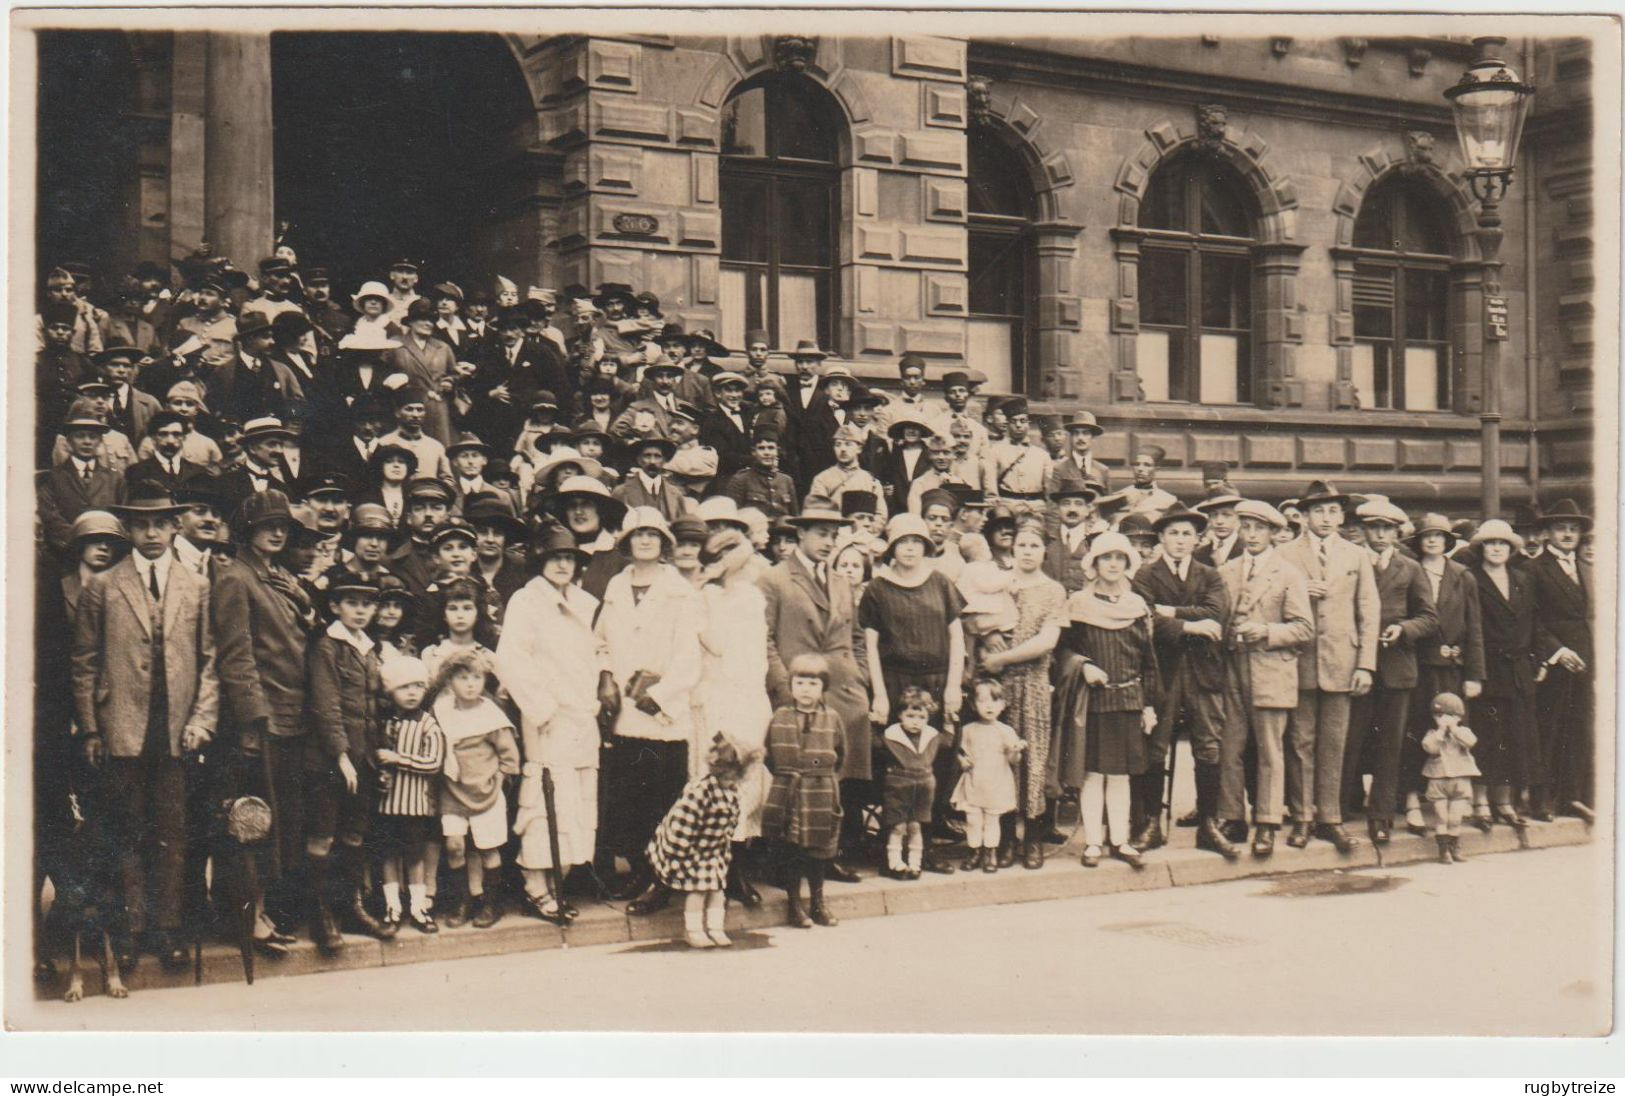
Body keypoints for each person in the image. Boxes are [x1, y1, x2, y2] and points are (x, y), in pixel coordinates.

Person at [69, 484, 219, 972]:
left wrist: (201, 720)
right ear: (128, 530)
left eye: (160, 524)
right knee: (128, 829)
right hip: (123, 726)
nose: (151, 533)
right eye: (141, 524)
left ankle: (167, 928)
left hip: (175, 727)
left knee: (172, 831)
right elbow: (85, 663)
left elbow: (209, 660)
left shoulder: (195, 585)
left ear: (176, 527)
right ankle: (131, 928)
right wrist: (91, 728)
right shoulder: (104, 586)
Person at [211, 488, 313, 954]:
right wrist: (252, 721)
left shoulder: (277, 577)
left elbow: (298, 636)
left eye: (283, 526)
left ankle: (262, 909)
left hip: (291, 716)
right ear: (247, 532)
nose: (276, 532)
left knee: (279, 824)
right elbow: (237, 656)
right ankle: (247, 918)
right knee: (253, 823)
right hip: (263, 720)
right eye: (266, 526)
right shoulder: (236, 579)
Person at [497, 525, 610, 924]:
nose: (563, 565)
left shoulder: (584, 601)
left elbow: (597, 651)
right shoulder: (527, 601)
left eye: (570, 559)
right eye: (556, 557)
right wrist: (541, 708)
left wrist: (599, 687)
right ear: (542, 561)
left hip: (582, 714)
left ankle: (560, 881)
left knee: (576, 799)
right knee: (545, 801)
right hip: (547, 716)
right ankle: (535, 886)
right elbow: (511, 658)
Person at [596, 508, 704, 914]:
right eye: (637, 534)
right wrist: (606, 675)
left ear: (663, 544)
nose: (644, 541)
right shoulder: (617, 586)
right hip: (626, 714)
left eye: (652, 535)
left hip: (664, 717)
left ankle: (664, 881)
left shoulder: (680, 591)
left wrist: (659, 695)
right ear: (626, 542)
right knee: (631, 800)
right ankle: (643, 870)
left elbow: (689, 657)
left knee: (664, 800)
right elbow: (601, 640)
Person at [759, 503, 873, 880]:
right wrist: (783, 688)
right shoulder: (775, 578)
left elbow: (855, 636)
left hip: (843, 691)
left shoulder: (841, 580)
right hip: (799, 689)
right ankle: (788, 861)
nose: (828, 542)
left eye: (833, 535)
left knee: (835, 777)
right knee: (796, 779)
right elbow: (766, 639)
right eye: (821, 534)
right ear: (801, 535)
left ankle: (827, 856)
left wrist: (859, 676)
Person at [861, 513, 967, 873]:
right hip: (895, 684)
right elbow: (871, 646)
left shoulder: (940, 583)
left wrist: (953, 685)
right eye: (903, 542)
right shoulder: (877, 588)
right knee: (897, 770)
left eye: (917, 542)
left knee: (935, 765)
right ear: (892, 547)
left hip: (937, 684)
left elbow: (957, 637)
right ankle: (892, 849)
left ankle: (927, 847)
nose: (910, 549)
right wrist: (879, 694)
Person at [1276, 480, 1378, 853]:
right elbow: (1273, 602)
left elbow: (1369, 611)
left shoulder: (1356, 555)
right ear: (1303, 516)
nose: (1327, 517)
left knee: (1335, 744)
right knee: (1300, 742)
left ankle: (1330, 819)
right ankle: (1302, 816)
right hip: (1298, 661)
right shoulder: (1285, 554)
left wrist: (1365, 664)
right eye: (1318, 510)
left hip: (1342, 662)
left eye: (1333, 510)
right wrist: (1301, 588)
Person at [1131, 506, 1232, 857]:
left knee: (1209, 746)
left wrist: (1169, 612)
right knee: (1155, 746)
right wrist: (1190, 625)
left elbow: (1216, 614)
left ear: (1197, 539)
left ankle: (1208, 825)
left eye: (1187, 534)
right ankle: (1151, 825)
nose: (1180, 540)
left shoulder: (1210, 575)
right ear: (1161, 538)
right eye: (1173, 533)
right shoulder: (1145, 575)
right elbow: (1143, 618)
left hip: (1203, 671)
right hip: (1162, 670)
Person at [1216, 500, 1313, 858]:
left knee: (1271, 751)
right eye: (1247, 528)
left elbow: (1305, 628)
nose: (1252, 535)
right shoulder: (1226, 571)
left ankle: (1268, 823)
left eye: (1260, 529)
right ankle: (1231, 817)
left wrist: (1266, 631)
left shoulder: (1288, 574)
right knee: (1231, 747)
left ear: (1274, 534)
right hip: (1234, 668)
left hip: (1271, 669)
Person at [1058, 531, 1160, 869]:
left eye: (1120, 558)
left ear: (1128, 564)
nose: (1113, 564)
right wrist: (1084, 666)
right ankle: (1093, 842)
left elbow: (1149, 661)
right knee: (1093, 773)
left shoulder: (1137, 606)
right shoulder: (1079, 604)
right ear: (1095, 564)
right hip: (1094, 702)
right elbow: (1063, 651)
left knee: (1120, 775)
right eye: (1106, 558)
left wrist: (1148, 705)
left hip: (1128, 700)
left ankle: (1120, 840)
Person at [1342, 499, 1437, 846]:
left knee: (1389, 745)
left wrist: (1404, 629)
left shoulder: (1410, 568)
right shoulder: (1350, 561)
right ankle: (1337, 809)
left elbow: (1429, 617)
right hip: (1355, 664)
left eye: (1387, 529)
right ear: (1364, 530)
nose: (1380, 535)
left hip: (1397, 668)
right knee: (1350, 740)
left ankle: (1380, 815)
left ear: (1397, 533)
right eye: (1373, 528)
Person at [693, 527, 774, 907]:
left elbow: (755, 655)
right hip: (717, 699)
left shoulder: (753, 598)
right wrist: (708, 591)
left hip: (749, 698)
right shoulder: (705, 597)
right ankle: (713, 873)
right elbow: (717, 644)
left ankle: (737, 869)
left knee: (749, 783)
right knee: (718, 779)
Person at [303, 573, 385, 952]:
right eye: (352, 602)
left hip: (363, 758)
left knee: (355, 833)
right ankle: (322, 918)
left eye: (367, 603)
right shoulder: (327, 647)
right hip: (331, 761)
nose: (361, 610)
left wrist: (374, 754)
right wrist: (341, 757)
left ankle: (349, 906)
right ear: (335, 606)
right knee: (322, 835)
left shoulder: (369, 648)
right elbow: (326, 704)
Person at [1401, 514, 1485, 836]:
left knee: (1452, 732)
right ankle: (1411, 802)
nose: (1433, 541)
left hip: (1452, 667)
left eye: (1439, 536)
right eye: (1427, 536)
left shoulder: (1462, 576)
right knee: (1415, 731)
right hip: (1418, 665)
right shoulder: (1411, 571)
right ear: (1419, 541)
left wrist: (1474, 674)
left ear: (1448, 541)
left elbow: (1474, 628)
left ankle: (1450, 806)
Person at [1466, 520, 1549, 828]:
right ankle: (1480, 804)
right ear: (1481, 548)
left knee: (1514, 737)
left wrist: (1539, 658)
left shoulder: (1522, 579)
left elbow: (1535, 621)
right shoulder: (1471, 579)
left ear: (1512, 549)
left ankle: (1503, 803)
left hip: (1518, 670)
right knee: (1487, 736)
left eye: (1503, 543)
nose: (1497, 548)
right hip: (1488, 669)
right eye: (1490, 543)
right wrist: (1473, 671)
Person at [431, 648, 518, 932]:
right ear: (449, 682)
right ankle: (462, 901)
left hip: (486, 792)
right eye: (463, 677)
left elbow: (509, 758)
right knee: (455, 845)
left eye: (477, 677)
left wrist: (496, 782)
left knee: (487, 848)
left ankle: (492, 903)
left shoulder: (490, 715)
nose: (470, 684)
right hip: (453, 790)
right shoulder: (442, 711)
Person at [763, 653, 845, 929]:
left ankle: (819, 903)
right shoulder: (781, 716)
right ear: (791, 685)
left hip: (820, 791)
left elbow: (841, 754)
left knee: (819, 851)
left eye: (812, 684)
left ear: (823, 687)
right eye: (800, 683)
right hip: (789, 789)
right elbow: (769, 756)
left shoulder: (832, 718)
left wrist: (825, 781)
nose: (805, 690)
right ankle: (794, 904)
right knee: (792, 851)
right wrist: (788, 778)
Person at [1525, 499, 1594, 821]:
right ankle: (1542, 800)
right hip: (1553, 661)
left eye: (1573, 529)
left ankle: (1571, 795)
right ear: (1547, 533)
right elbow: (1531, 619)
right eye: (1560, 529)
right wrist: (1556, 651)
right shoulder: (1534, 569)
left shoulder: (1585, 568)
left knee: (1578, 726)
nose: (1567, 535)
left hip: (1584, 659)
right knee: (1548, 728)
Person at [646, 736, 749, 949]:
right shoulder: (700, 792)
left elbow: (732, 820)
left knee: (718, 890)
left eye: (737, 778)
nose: (733, 782)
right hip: (692, 849)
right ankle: (692, 930)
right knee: (698, 890)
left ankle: (715, 928)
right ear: (717, 770)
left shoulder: (733, 792)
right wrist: (681, 854)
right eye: (730, 777)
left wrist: (726, 841)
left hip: (715, 849)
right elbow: (682, 823)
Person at [371, 654, 444, 939]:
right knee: (388, 855)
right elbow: (376, 756)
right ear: (390, 691)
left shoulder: (428, 724)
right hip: (387, 805)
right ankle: (392, 908)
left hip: (414, 807)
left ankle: (418, 908)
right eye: (404, 687)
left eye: (417, 685)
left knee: (415, 858)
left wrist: (398, 759)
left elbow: (433, 762)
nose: (412, 692)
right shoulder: (385, 723)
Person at [951, 678, 1025, 873]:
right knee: (973, 820)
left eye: (994, 701)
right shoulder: (968, 730)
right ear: (974, 705)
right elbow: (959, 751)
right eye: (982, 701)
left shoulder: (1005, 731)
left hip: (996, 783)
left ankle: (990, 852)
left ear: (1003, 704)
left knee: (992, 820)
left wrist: (1016, 750)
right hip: (974, 782)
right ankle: (974, 851)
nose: (989, 706)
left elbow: (1013, 760)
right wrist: (962, 760)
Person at [878, 686, 945, 880]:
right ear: (900, 715)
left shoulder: (930, 736)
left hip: (923, 787)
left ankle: (915, 863)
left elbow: (948, 740)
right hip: (899, 786)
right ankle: (895, 862)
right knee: (898, 826)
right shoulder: (892, 736)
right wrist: (874, 722)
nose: (916, 722)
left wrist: (950, 722)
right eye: (910, 716)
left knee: (916, 826)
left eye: (921, 717)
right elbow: (875, 742)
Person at [1421, 692, 1479, 864]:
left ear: (1459, 717)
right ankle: (1443, 850)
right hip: (1438, 780)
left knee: (1455, 818)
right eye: (1439, 716)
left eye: (1450, 716)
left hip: (1460, 780)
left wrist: (1454, 729)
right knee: (1442, 818)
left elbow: (1471, 742)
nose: (1444, 719)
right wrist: (1440, 731)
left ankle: (1454, 846)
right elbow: (1429, 748)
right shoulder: (1432, 733)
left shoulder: (1463, 731)